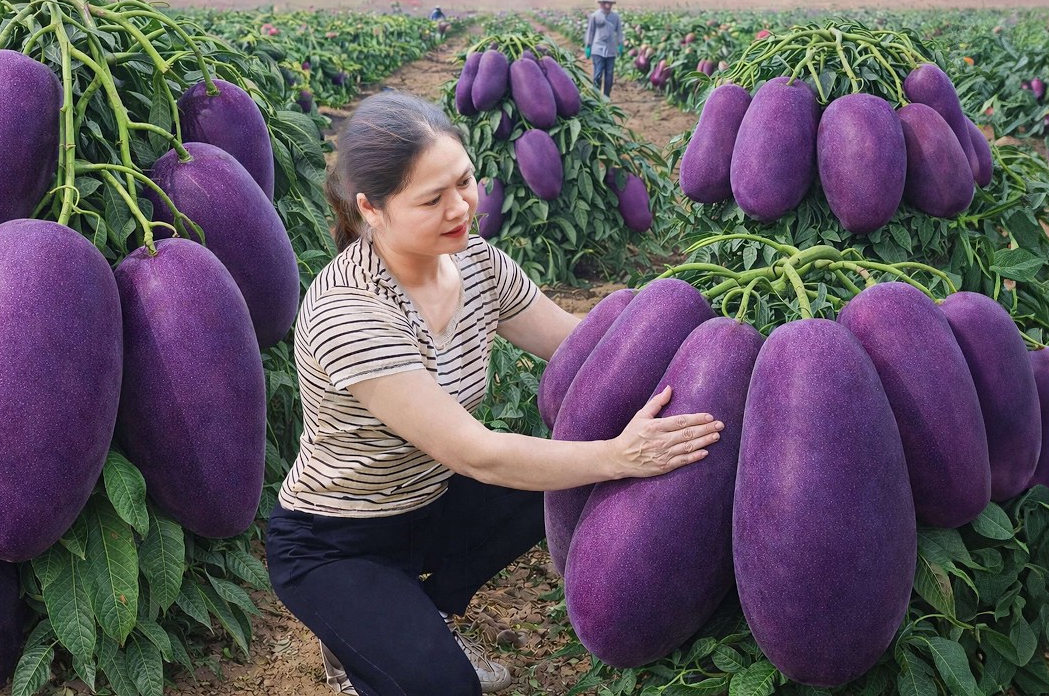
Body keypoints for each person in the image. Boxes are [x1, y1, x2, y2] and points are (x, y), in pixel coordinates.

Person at [264, 91, 725, 696]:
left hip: (432, 503)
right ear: (371, 211)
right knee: (447, 688)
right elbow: (477, 452)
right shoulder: (351, 313)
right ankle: (360, 636)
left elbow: (578, 346)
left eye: (464, 180)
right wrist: (622, 453)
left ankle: (422, 611)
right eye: (432, 199)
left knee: (566, 475)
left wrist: (710, 355)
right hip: (337, 541)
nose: (461, 207)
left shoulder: (476, 263)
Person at [584, 0, 624, 97]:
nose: (608, 6)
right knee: (597, 74)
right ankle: (596, 96)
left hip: (611, 50)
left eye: (610, 4)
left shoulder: (615, 17)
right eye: (606, 3)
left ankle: (606, 96)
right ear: (601, 4)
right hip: (597, 48)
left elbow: (619, 31)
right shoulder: (595, 16)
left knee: (609, 75)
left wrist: (620, 44)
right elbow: (591, 31)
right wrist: (588, 45)